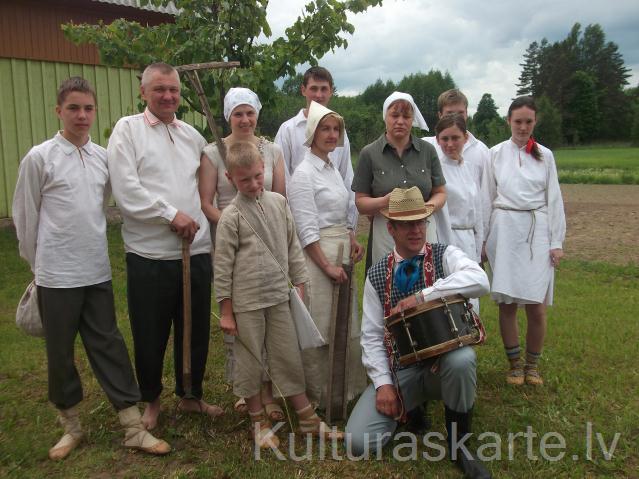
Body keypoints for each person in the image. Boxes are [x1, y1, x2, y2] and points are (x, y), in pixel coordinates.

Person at [12, 77, 170, 460]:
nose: (81, 116)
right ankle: (71, 427)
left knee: (109, 346)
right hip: (56, 275)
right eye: (73, 109)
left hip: (96, 271)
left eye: (87, 109)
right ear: (59, 111)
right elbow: (25, 218)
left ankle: (133, 427)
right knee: (60, 353)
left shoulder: (102, 157)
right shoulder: (40, 157)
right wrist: (40, 265)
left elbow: (103, 204)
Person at [345, 187, 491, 479]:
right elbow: (372, 336)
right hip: (401, 372)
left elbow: (480, 280)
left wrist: (424, 295)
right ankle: (410, 408)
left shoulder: (445, 255)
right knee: (358, 443)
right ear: (391, 228)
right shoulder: (376, 274)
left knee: (462, 359)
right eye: (406, 224)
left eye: (420, 222)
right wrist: (384, 385)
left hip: (443, 369)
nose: (415, 230)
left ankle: (459, 444)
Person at [107, 62, 223, 430]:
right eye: (160, 89)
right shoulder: (127, 131)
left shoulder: (191, 135)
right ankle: (152, 401)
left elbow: (209, 183)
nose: (169, 96)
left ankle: (191, 395)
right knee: (150, 330)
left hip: (196, 249)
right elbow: (127, 192)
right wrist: (171, 214)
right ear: (144, 92)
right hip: (150, 254)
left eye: (173, 89)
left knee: (194, 329)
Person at [214, 141, 342, 448]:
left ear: (265, 170)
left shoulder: (279, 204)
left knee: (287, 356)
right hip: (246, 303)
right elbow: (222, 266)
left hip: (279, 298)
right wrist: (227, 310)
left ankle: (308, 419)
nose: (254, 184)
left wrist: (300, 284)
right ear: (231, 179)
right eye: (245, 179)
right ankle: (258, 421)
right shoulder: (230, 217)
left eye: (258, 176)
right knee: (251, 360)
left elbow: (293, 248)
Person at [199, 87, 286, 418]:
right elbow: (207, 202)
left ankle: (267, 390)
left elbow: (279, 196)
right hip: (230, 242)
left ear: (257, 114)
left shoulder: (272, 150)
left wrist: (262, 227)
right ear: (228, 117)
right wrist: (234, 225)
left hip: (267, 241)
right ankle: (244, 388)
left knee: (267, 314)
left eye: (250, 112)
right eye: (238, 114)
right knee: (237, 318)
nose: (245, 119)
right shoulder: (213, 153)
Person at [481, 96, 566, 386]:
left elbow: (554, 199)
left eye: (528, 121)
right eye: (518, 121)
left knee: (536, 305)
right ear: (509, 121)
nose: (523, 127)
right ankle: (514, 364)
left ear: (535, 122)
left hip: (537, 232)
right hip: (504, 231)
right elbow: (486, 197)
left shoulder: (546, 155)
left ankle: (533, 365)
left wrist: (557, 241)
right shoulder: (494, 154)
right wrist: (483, 238)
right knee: (507, 303)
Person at [288, 101, 367, 412]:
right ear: (313, 132)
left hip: (340, 250)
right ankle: (319, 394)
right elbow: (306, 229)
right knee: (322, 324)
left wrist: (352, 238)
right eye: (325, 128)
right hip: (318, 256)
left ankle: (345, 388)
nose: (332, 135)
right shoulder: (303, 174)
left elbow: (340, 212)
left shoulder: (333, 168)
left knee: (346, 323)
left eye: (336, 129)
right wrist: (326, 266)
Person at [351, 91, 452, 267]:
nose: (400, 121)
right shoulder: (370, 153)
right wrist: (384, 201)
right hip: (386, 229)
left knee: (425, 283)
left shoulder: (427, 151)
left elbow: (440, 192)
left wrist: (428, 207)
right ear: (385, 117)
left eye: (406, 116)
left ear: (413, 119)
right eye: (394, 115)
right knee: (388, 282)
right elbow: (360, 202)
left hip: (423, 228)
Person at [275, 66, 355, 194]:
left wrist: (350, 212)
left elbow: (347, 176)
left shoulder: (339, 130)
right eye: (314, 89)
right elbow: (283, 177)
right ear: (303, 90)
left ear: (331, 92)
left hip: (336, 207)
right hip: (299, 207)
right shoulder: (288, 130)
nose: (319, 95)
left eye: (324, 89)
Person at [435, 114, 484, 312]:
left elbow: (477, 209)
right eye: (444, 138)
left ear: (465, 138)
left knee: (471, 299)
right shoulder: (436, 169)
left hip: (469, 241)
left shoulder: (469, 169)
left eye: (455, 138)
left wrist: (479, 244)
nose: (450, 144)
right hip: (448, 238)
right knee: (451, 295)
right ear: (437, 140)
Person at [423, 89, 490, 188]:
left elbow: (486, 190)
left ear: (466, 114)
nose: (455, 117)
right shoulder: (426, 147)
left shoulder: (481, 150)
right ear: (440, 115)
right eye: (449, 113)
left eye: (460, 113)